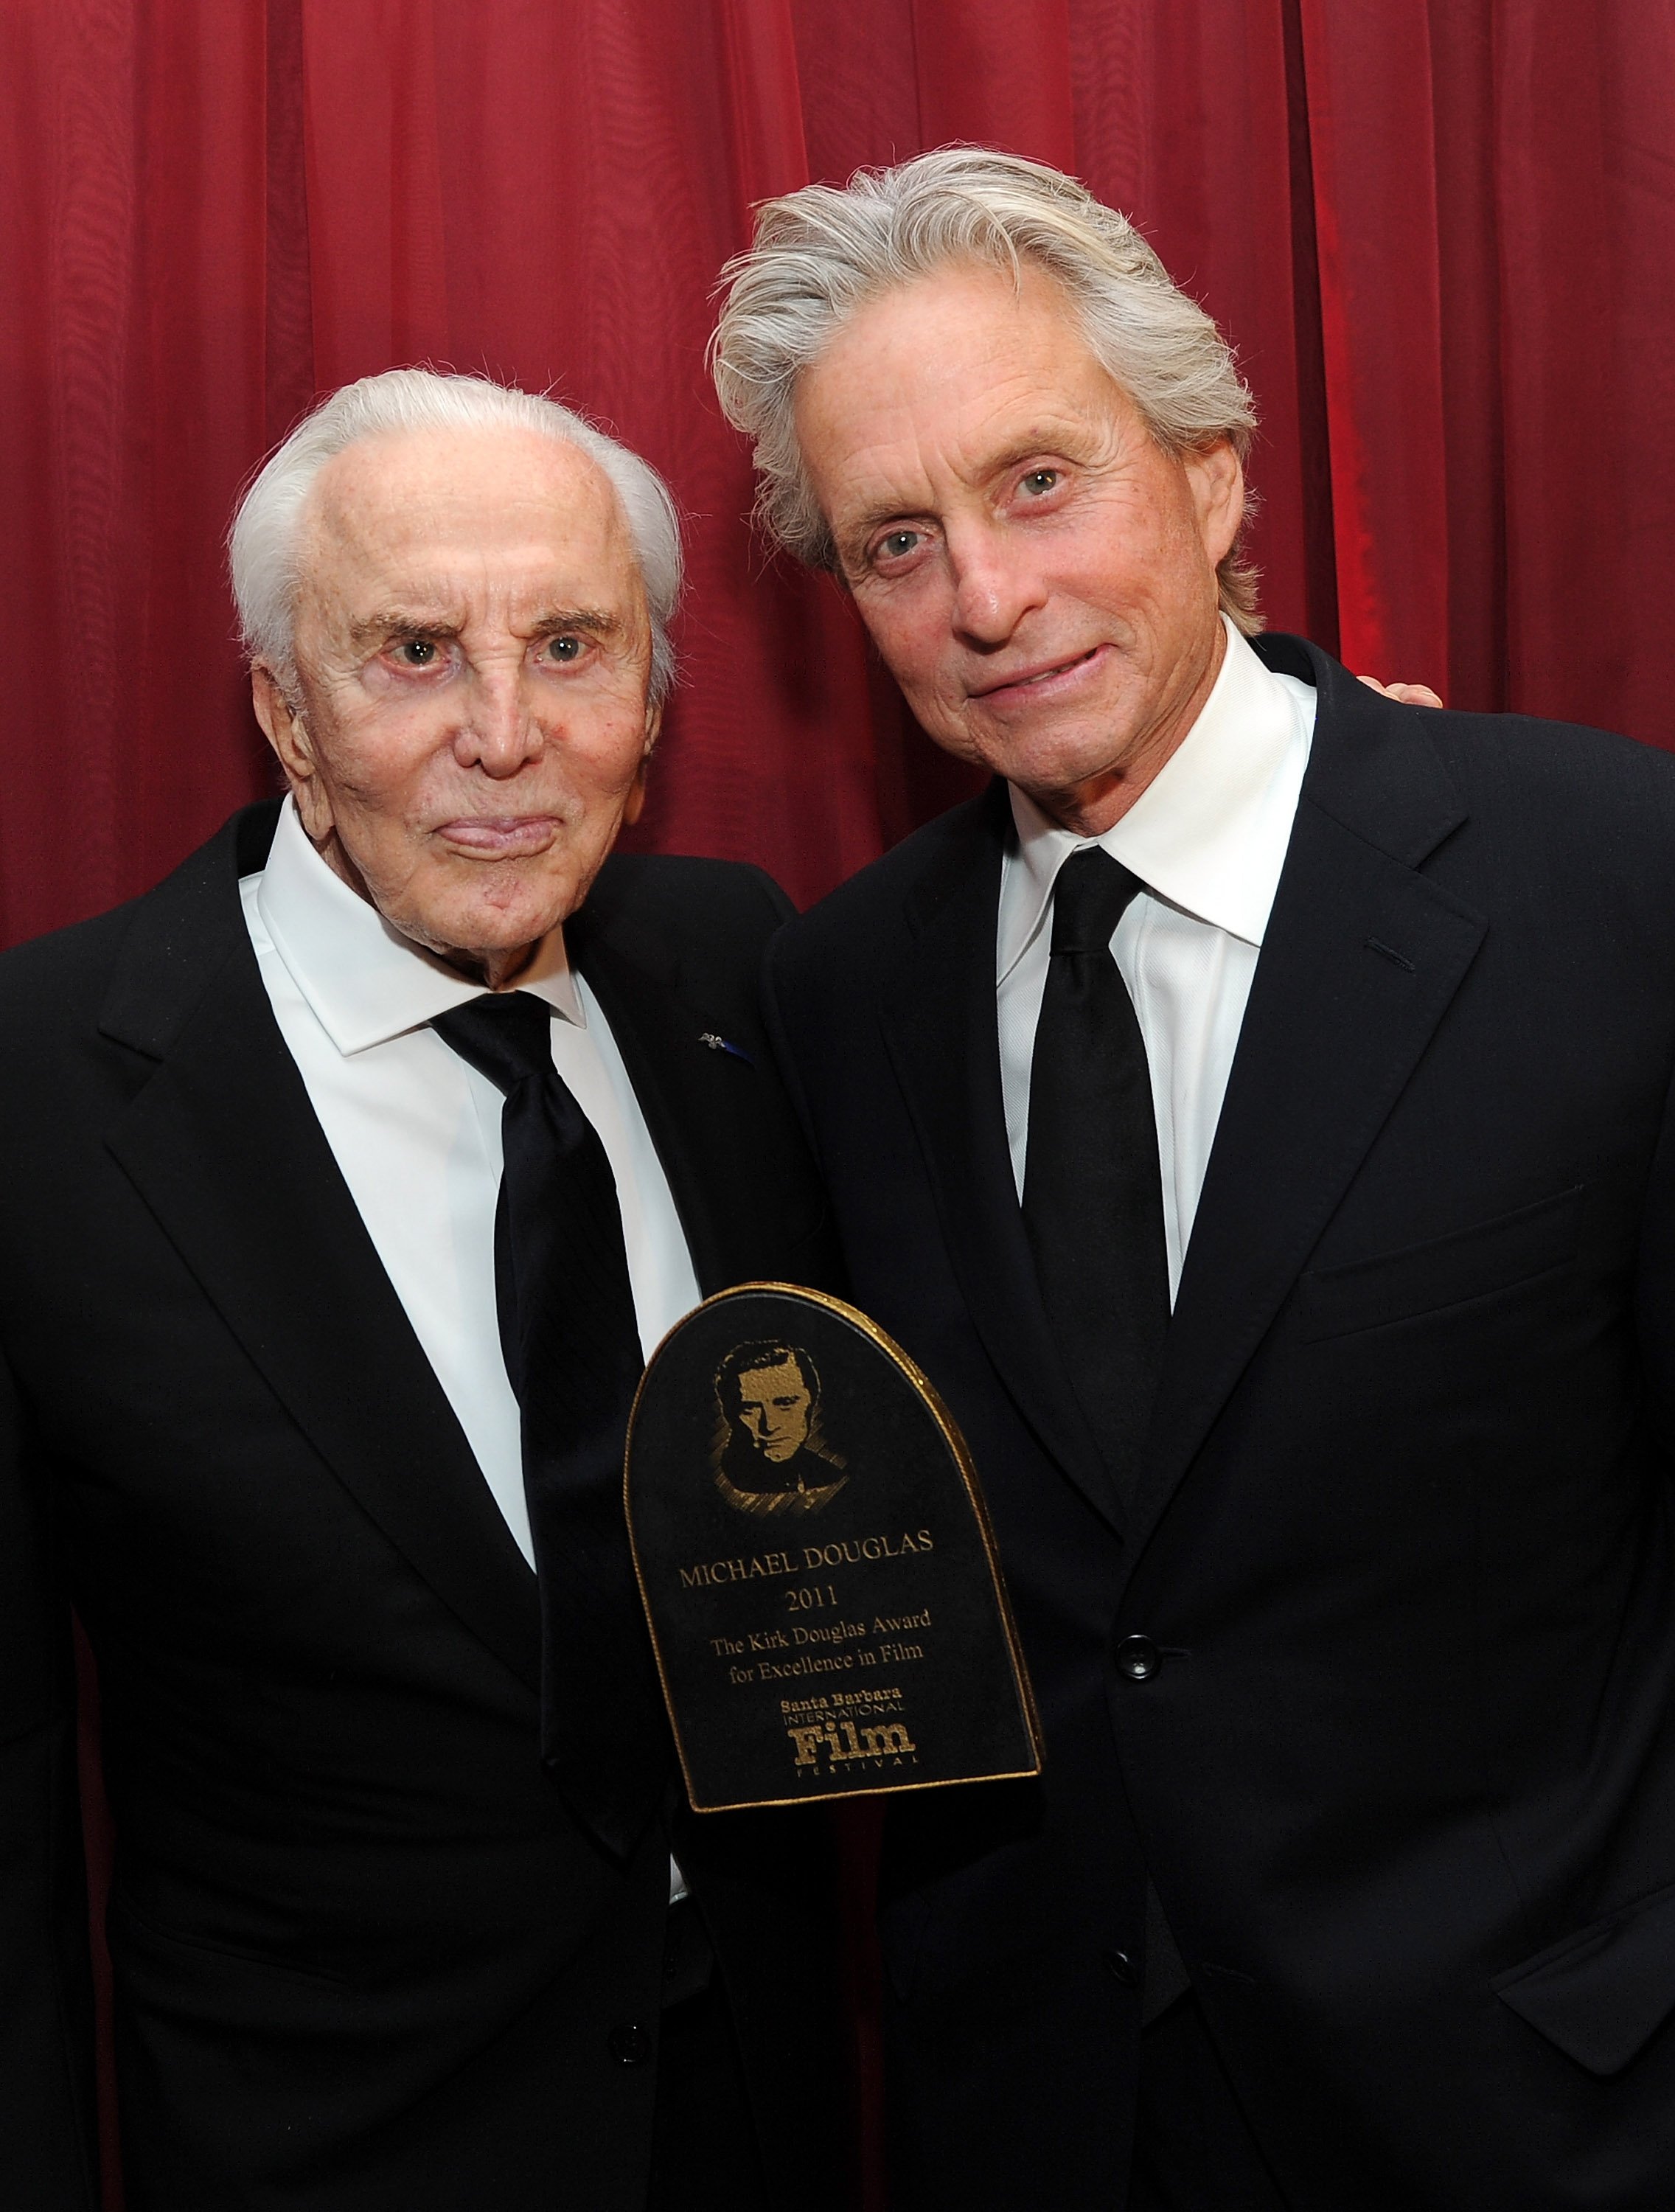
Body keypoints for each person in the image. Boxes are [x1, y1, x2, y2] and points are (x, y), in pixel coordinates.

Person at [711, 148, 1675, 2210]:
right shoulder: (840, 994)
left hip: (1536, 2116)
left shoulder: (1607, 878)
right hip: (1035, 2128)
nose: (984, 597)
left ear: (1217, 476)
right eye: (897, 540)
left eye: (1039, 481)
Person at [0, 369, 847, 2211]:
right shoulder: (43, 1094)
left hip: (762, 2106)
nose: (501, 732)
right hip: (329, 2145)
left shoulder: (744, 975)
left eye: (568, 646)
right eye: (409, 653)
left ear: (651, 700)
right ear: (283, 712)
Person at [712, 1340, 848, 1514]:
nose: (769, 1425)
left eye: (785, 1403)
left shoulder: (829, 1476)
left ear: (811, 1402)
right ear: (729, 1414)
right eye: (750, 1410)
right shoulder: (725, 1488)